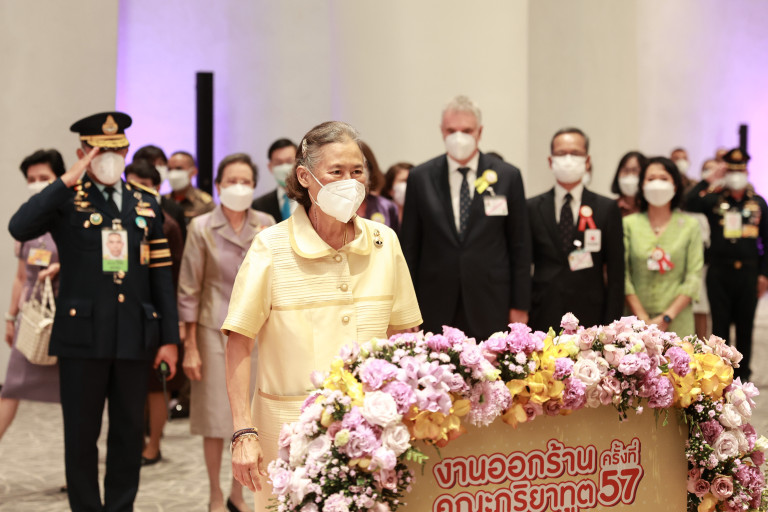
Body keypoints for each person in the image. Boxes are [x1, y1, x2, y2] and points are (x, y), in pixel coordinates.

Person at [221, 121, 422, 510]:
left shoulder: (384, 242)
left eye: (357, 171)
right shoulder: (270, 247)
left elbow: (405, 334)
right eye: (336, 171)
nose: (350, 182)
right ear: (304, 177)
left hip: (372, 433)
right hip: (287, 435)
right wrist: (243, 431)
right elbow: (239, 342)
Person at [8, 112, 180, 511]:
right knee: (81, 435)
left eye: (117, 150)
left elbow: (161, 277)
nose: (110, 158)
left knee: (128, 432)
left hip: (134, 336)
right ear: (82, 153)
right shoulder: (67, 199)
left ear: (127, 150)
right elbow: (19, 226)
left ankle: (120, 507)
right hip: (82, 338)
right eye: (99, 151)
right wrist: (64, 181)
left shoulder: (146, 203)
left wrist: (169, 339)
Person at [179, 153, 274, 512]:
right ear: (218, 186)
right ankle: (215, 493)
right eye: (231, 181)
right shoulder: (201, 226)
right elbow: (189, 289)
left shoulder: (266, 224)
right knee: (214, 417)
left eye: (245, 181)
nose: (238, 187)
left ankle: (239, 493)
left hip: (257, 332)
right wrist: (189, 346)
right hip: (212, 330)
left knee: (251, 414)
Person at [400, 95, 530, 340]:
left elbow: (520, 245)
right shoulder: (420, 177)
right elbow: (409, 247)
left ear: (480, 132)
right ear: (442, 131)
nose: (458, 137)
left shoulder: (508, 176)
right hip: (434, 301)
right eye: (451, 130)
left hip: (492, 301)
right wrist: (406, 308)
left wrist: (520, 304)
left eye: (467, 130)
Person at [527, 127, 624, 332]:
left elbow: (616, 274)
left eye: (576, 153)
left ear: (587, 161)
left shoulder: (606, 208)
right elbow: (522, 265)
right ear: (550, 161)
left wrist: (612, 325)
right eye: (561, 153)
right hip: (542, 311)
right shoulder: (531, 207)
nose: (568, 159)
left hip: (591, 315)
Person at [685, 148, 768, 381]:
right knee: (720, 327)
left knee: (745, 326)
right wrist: (709, 179)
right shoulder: (714, 200)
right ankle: (720, 376)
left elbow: (766, 241)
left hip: (749, 273)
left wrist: (764, 274)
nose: (736, 176)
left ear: (747, 172)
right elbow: (688, 202)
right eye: (731, 171)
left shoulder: (758, 203)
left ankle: (743, 376)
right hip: (719, 272)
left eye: (739, 171)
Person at [124, 160, 186, 466]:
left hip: (158, 317)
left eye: (143, 186)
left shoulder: (167, 224)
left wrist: (172, 326)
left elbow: (173, 280)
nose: (135, 192)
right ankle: (132, 441)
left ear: (156, 188)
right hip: (128, 316)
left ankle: (154, 444)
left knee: (155, 387)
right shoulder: (121, 221)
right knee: (128, 387)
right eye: (130, 185)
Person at [1, 149, 65, 442]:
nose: (36, 184)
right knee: (11, 388)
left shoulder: (70, 216)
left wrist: (61, 266)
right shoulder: (26, 221)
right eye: (31, 179)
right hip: (32, 320)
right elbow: (20, 277)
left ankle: (77, 463)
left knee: (74, 396)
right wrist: (10, 317)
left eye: (44, 177)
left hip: (64, 319)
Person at [623, 157, 703, 337]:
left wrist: (666, 317)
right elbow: (623, 275)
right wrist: (642, 318)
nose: (657, 184)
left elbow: (693, 276)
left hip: (677, 321)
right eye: (651, 179)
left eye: (664, 178)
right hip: (635, 323)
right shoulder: (628, 224)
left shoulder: (690, 226)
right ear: (642, 185)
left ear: (675, 186)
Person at [133, 145, 186, 239]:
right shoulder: (127, 203)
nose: (157, 168)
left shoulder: (175, 208)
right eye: (151, 164)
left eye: (161, 164)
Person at [357, 141, 400, 232]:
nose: (349, 177)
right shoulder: (331, 209)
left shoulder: (386, 207)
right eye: (338, 171)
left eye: (357, 170)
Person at [251, 138, 297, 222]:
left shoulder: (311, 199)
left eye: (289, 161)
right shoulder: (259, 205)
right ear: (270, 167)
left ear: (299, 163)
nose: (284, 167)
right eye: (278, 163)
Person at [165, 150, 215, 224]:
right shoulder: (163, 201)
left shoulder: (205, 204)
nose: (173, 173)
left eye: (179, 168)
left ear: (193, 171)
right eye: (169, 169)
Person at [610, 151, 647, 217]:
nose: (630, 175)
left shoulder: (651, 208)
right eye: (625, 170)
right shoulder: (610, 207)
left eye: (635, 170)